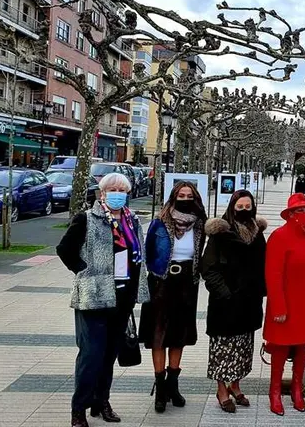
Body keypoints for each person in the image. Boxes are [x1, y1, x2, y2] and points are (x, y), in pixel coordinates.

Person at [57, 173, 150, 427]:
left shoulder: (132, 220)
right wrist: (83, 269)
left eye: (122, 189)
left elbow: (137, 254)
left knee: (109, 355)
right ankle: (79, 409)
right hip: (94, 298)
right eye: (113, 189)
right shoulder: (87, 219)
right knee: (91, 355)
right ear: (102, 193)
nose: (118, 193)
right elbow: (64, 249)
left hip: (123, 297)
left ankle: (101, 401)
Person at [139, 181, 206, 413]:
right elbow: (148, 251)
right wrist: (155, 274)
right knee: (158, 334)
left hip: (187, 283)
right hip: (161, 283)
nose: (185, 198)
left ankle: (172, 385)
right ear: (173, 196)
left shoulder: (199, 224)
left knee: (179, 334)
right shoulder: (159, 221)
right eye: (181, 195)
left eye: (189, 195)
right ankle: (160, 388)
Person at [201, 190, 268, 413]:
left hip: (249, 303)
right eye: (239, 207)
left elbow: (264, 264)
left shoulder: (257, 232)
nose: (244, 210)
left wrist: (262, 289)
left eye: (248, 206)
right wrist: (224, 293)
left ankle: (236, 385)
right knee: (223, 348)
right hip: (225, 303)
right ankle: (221, 389)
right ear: (232, 207)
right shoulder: (221, 232)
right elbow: (208, 267)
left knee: (243, 348)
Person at [264, 193, 305, 416]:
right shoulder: (279, 237)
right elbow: (273, 273)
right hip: (286, 300)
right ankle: (275, 391)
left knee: (301, 346)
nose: (304, 214)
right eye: (299, 211)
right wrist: (278, 307)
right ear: (290, 214)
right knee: (280, 346)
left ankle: (297, 389)